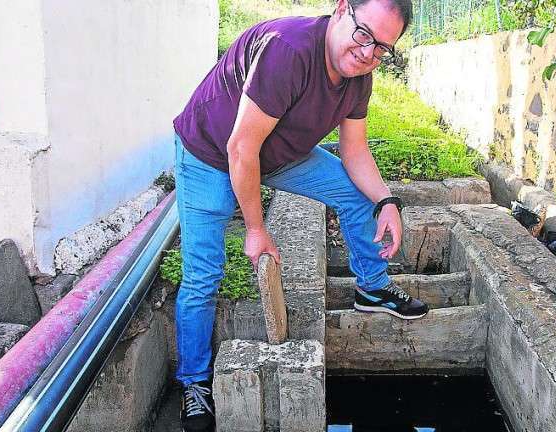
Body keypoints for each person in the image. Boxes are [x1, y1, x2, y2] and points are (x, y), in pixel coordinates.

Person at [171, 0, 426, 430]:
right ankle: (194, 383)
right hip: (211, 153)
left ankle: (372, 288)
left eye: (382, 47)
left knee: (358, 195)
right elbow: (241, 148)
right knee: (204, 272)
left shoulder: (359, 76)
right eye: (364, 34)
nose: (368, 53)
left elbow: (355, 151)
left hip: (278, 152)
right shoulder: (288, 50)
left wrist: (387, 201)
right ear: (342, 9)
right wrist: (256, 228)